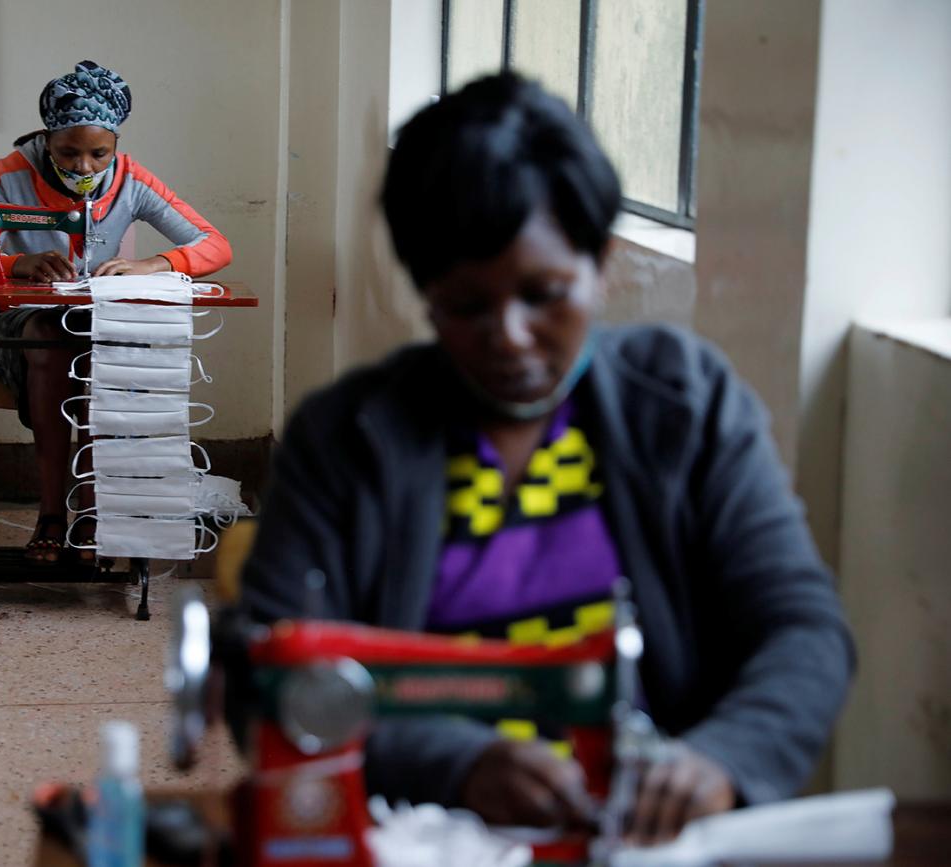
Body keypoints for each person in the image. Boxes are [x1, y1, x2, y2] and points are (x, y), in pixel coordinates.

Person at [240, 73, 853, 845]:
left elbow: (803, 631)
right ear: (425, 293)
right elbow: (267, 674)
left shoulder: (685, 406)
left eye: (546, 293)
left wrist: (720, 759)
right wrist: (457, 761)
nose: (512, 335)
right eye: (467, 306)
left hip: (649, 841)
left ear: (601, 262)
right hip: (421, 838)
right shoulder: (346, 440)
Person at [0, 60, 231, 563]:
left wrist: (154, 263)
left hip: (97, 324)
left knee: (97, 351)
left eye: (99, 154)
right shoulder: (12, 174)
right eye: (69, 152)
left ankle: (93, 510)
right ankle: (53, 511)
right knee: (52, 335)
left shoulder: (131, 180)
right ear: (48, 141)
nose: (85, 168)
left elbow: (216, 245)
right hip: (20, 326)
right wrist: (20, 262)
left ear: (116, 145)